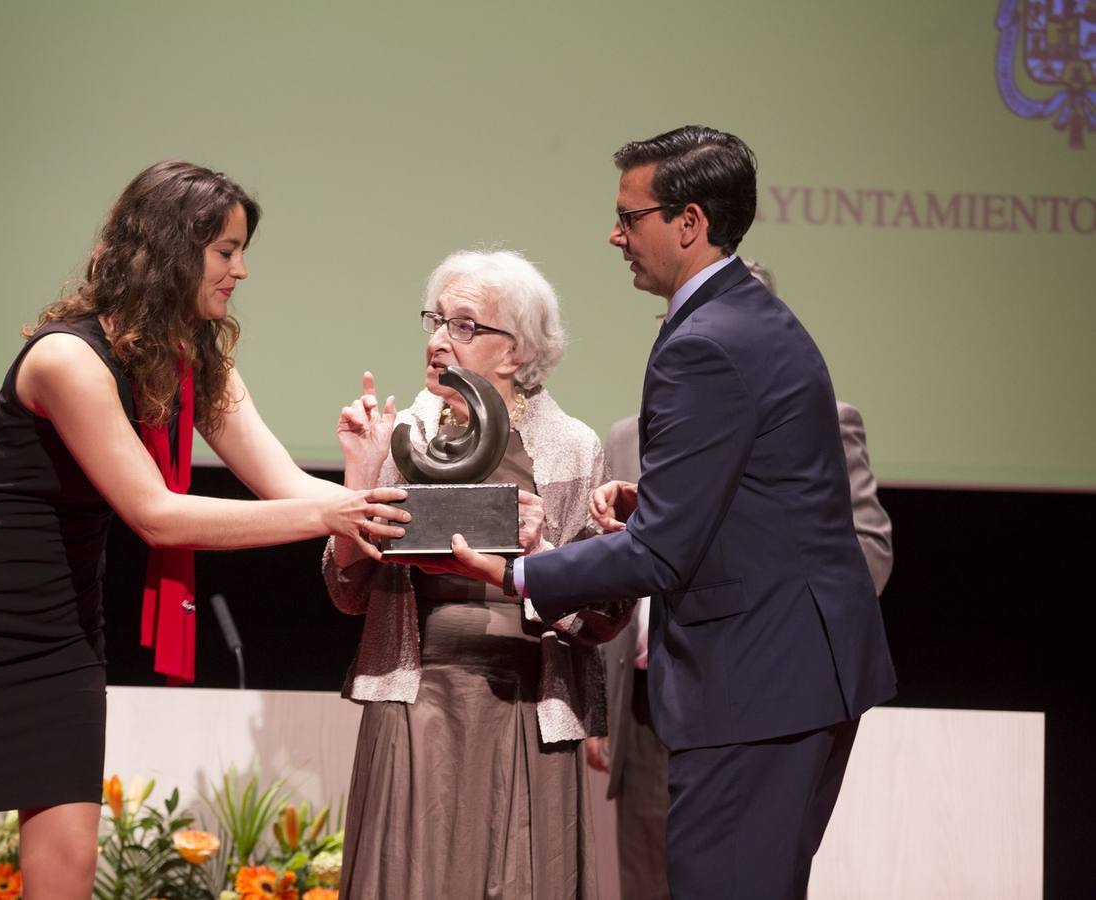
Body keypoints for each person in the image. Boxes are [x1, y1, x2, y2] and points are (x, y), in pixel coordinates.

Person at [0, 161, 410, 900]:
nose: (241, 270)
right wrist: (331, 511)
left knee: (65, 864)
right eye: (225, 250)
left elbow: (289, 489)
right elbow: (155, 515)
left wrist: (363, 481)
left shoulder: (200, 364)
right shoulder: (67, 357)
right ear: (170, 248)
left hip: (59, 624)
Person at [435, 127, 897, 899]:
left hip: (758, 681)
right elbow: (767, 491)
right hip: (796, 672)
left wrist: (520, 571)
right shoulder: (746, 315)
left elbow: (659, 555)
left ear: (688, 222)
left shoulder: (704, 341)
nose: (614, 234)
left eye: (630, 216)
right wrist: (656, 498)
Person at [326, 249, 633, 899]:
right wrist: (358, 475)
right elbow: (346, 591)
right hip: (415, 698)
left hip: (523, 702)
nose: (438, 340)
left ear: (516, 352)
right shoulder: (402, 435)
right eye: (434, 320)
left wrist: (540, 549)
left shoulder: (570, 447)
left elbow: (605, 616)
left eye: (463, 326)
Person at [589, 258, 894, 900]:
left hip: (755, 683)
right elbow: (638, 554)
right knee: (652, 881)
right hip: (647, 697)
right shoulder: (627, 438)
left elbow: (864, 546)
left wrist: (780, 638)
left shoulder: (821, 417)